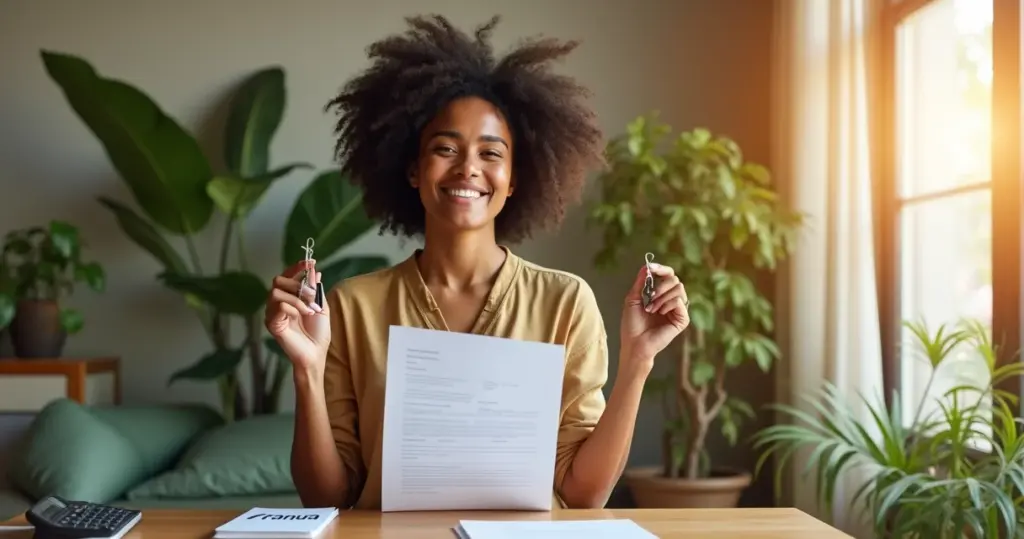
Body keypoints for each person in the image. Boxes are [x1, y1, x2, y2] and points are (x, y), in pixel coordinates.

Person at [264, 14, 690, 511]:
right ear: (412, 169)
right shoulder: (353, 306)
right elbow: (327, 496)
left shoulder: (564, 302)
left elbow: (583, 494)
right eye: (445, 148)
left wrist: (638, 363)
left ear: (512, 180)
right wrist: (307, 372)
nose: (468, 166)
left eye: (491, 153)